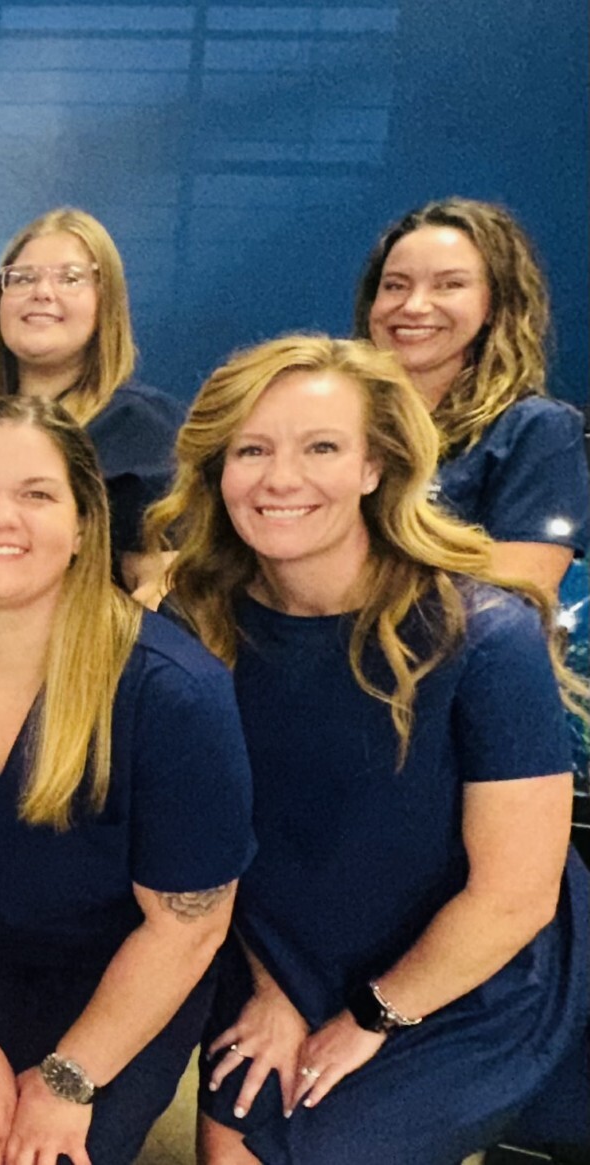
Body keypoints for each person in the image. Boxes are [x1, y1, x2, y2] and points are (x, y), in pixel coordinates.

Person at [146, 335, 588, 1164]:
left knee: (319, 1145)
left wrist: (374, 1016)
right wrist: (270, 987)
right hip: (274, 944)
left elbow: (515, 895)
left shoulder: (483, 636)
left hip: (467, 970)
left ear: (375, 466)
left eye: (321, 447)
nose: (281, 478)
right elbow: (192, 850)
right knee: (233, 1146)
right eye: (252, 449)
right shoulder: (192, 629)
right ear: (216, 470)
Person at [0, 395, 253, 1165]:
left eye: (36, 494)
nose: (2, 517)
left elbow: (187, 925)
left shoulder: (171, 691)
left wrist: (67, 1079)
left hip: (125, 978)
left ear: (85, 525)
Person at [0, 208, 183, 596]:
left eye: (71, 278)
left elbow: (164, 583)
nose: (42, 292)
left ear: (106, 301)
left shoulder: (145, 429)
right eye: (23, 278)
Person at [353, 198, 589, 593]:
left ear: (496, 304)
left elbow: (519, 590)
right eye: (395, 285)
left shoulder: (535, 429)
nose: (413, 306)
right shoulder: (330, 416)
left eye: (450, 285)